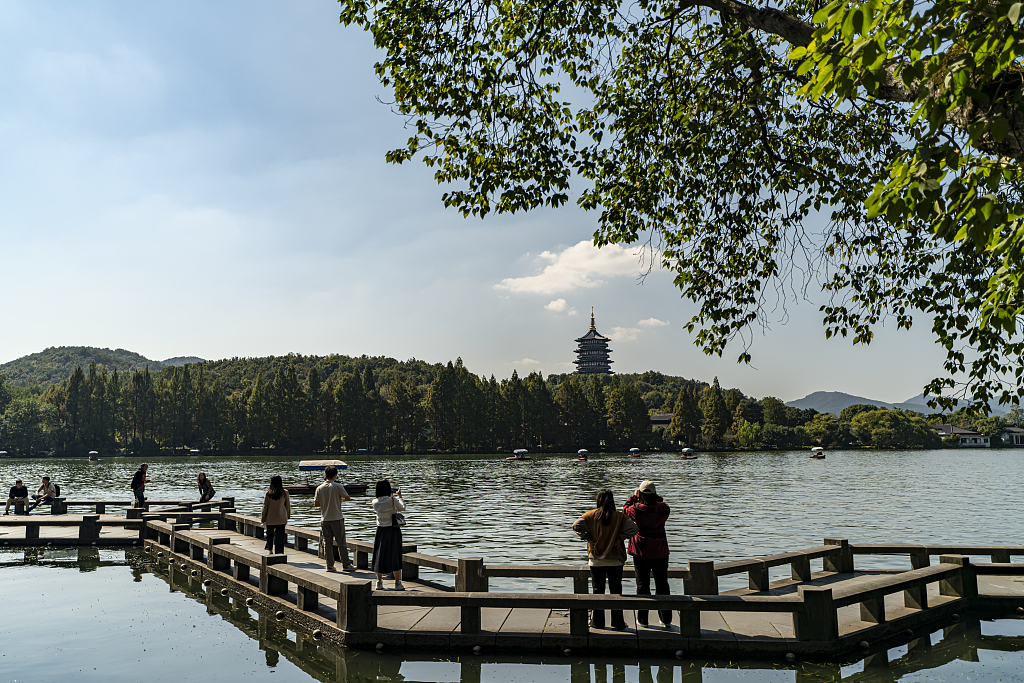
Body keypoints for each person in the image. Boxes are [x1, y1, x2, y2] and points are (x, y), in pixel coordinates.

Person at [572, 489, 638, 630]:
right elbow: (634, 529)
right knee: (616, 591)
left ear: (598, 500)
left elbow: (575, 526)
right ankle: (617, 622)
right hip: (615, 558)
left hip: (596, 559)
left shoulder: (590, 515)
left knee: (597, 590)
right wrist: (620, 538)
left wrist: (587, 537)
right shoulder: (620, 517)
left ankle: (597, 622)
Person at [623, 480, 672, 628]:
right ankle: (666, 619)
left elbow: (625, 508)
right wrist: (655, 498)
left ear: (641, 494)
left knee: (643, 584)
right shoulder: (663, 509)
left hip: (641, 551)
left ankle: (643, 620)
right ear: (655, 493)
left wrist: (634, 496)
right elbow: (662, 502)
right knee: (662, 584)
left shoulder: (636, 510)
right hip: (660, 551)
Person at [313, 465, 354, 573]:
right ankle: (346, 565)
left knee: (327, 543)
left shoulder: (319, 488)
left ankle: (329, 566)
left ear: (325, 475)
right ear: (335, 475)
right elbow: (347, 498)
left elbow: (316, 504)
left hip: (325, 519)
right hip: (337, 518)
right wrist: (339, 497)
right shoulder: (338, 486)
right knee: (341, 542)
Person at [371, 479, 406, 591]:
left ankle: (379, 582)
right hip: (393, 530)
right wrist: (399, 496)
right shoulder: (392, 500)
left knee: (379, 555)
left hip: (380, 530)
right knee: (395, 555)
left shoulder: (374, 502)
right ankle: (397, 583)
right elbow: (402, 507)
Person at [261, 475, 291, 554]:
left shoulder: (268, 493)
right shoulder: (285, 493)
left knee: (269, 534)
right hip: (281, 518)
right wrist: (288, 515)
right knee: (280, 537)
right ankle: (279, 552)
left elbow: (265, 507)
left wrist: (263, 518)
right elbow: (287, 505)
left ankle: (270, 550)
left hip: (270, 518)